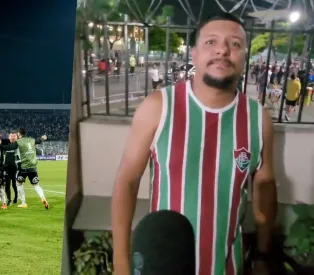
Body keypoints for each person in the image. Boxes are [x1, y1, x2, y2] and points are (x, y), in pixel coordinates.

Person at [111, 12, 276, 275]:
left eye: (234, 44)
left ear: (245, 57)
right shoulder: (159, 106)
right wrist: (121, 264)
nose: (223, 50)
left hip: (228, 267)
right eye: (211, 42)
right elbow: (126, 182)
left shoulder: (258, 118)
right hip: (164, 268)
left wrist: (264, 256)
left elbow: (265, 185)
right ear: (195, 53)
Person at [0, 128, 49, 209]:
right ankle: (43, 198)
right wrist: (43, 138)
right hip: (33, 167)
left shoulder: (18, 142)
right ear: (26, 133)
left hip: (23, 168)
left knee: (19, 184)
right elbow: (39, 140)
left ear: (19, 134)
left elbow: (9, 147)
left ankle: (23, 202)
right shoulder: (32, 140)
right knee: (36, 185)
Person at [3, 132, 19, 206]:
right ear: (9, 137)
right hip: (6, 167)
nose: (12, 137)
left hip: (14, 168)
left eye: (14, 136)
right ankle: (9, 200)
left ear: (16, 137)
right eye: (11, 136)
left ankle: (16, 197)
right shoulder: (6, 143)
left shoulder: (18, 144)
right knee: (7, 184)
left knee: (14, 184)